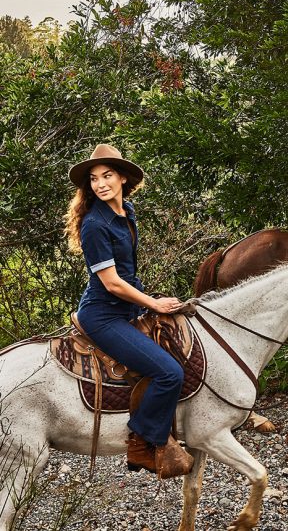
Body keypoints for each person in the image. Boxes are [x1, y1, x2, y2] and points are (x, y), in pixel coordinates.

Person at [65, 143, 193, 479]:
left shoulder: (127, 212)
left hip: (126, 309)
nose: (100, 183)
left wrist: (150, 299)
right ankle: (141, 442)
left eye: (107, 175)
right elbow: (112, 283)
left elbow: (127, 275)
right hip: (103, 315)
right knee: (169, 373)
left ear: (122, 178)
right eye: (93, 179)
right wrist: (152, 303)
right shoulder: (94, 225)